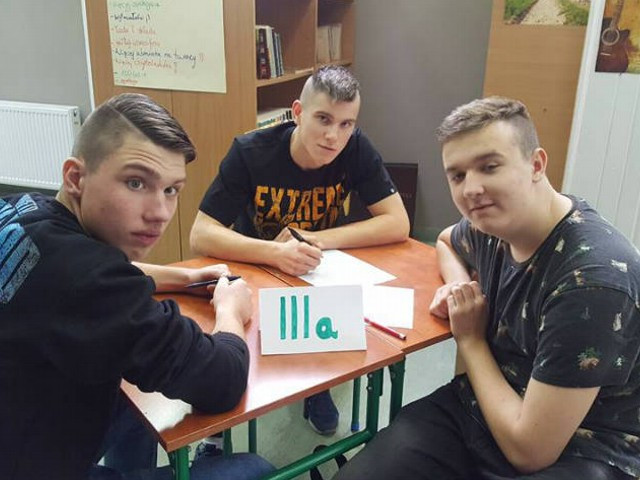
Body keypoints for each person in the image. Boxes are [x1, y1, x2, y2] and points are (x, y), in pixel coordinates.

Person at [333, 96, 640, 479]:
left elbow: (530, 452)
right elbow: (446, 241)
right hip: (482, 407)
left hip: (583, 446)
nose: (471, 189)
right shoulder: (492, 226)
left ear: (536, 165)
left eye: (489, 167)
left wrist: (471, 338)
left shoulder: (592, 281)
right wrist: (460, 287)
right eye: (457, 176)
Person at [0, 93, 274, 480]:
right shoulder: (91, 281)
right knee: (254, 470)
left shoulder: (24, 209)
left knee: (134, 394)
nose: (159, 213)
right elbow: (223, 380)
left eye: (171, 190)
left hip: (24, 423)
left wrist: (183, 277)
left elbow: (81, 274)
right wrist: (230, 310)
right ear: (76, 178)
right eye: (135, 183)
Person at [190, 65, 410, 436]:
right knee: (233, 354)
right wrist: (273, 253)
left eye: (346, 124)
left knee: (331, 325)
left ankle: (315, 385)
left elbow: (397, 222)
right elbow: (201, 234)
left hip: (316, 268)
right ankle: (218, 430)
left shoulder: (355, 147)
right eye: (323, 119)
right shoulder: (250, 151)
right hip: (257, 265)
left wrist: (316, 238)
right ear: (297, 113)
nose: (333, 136)